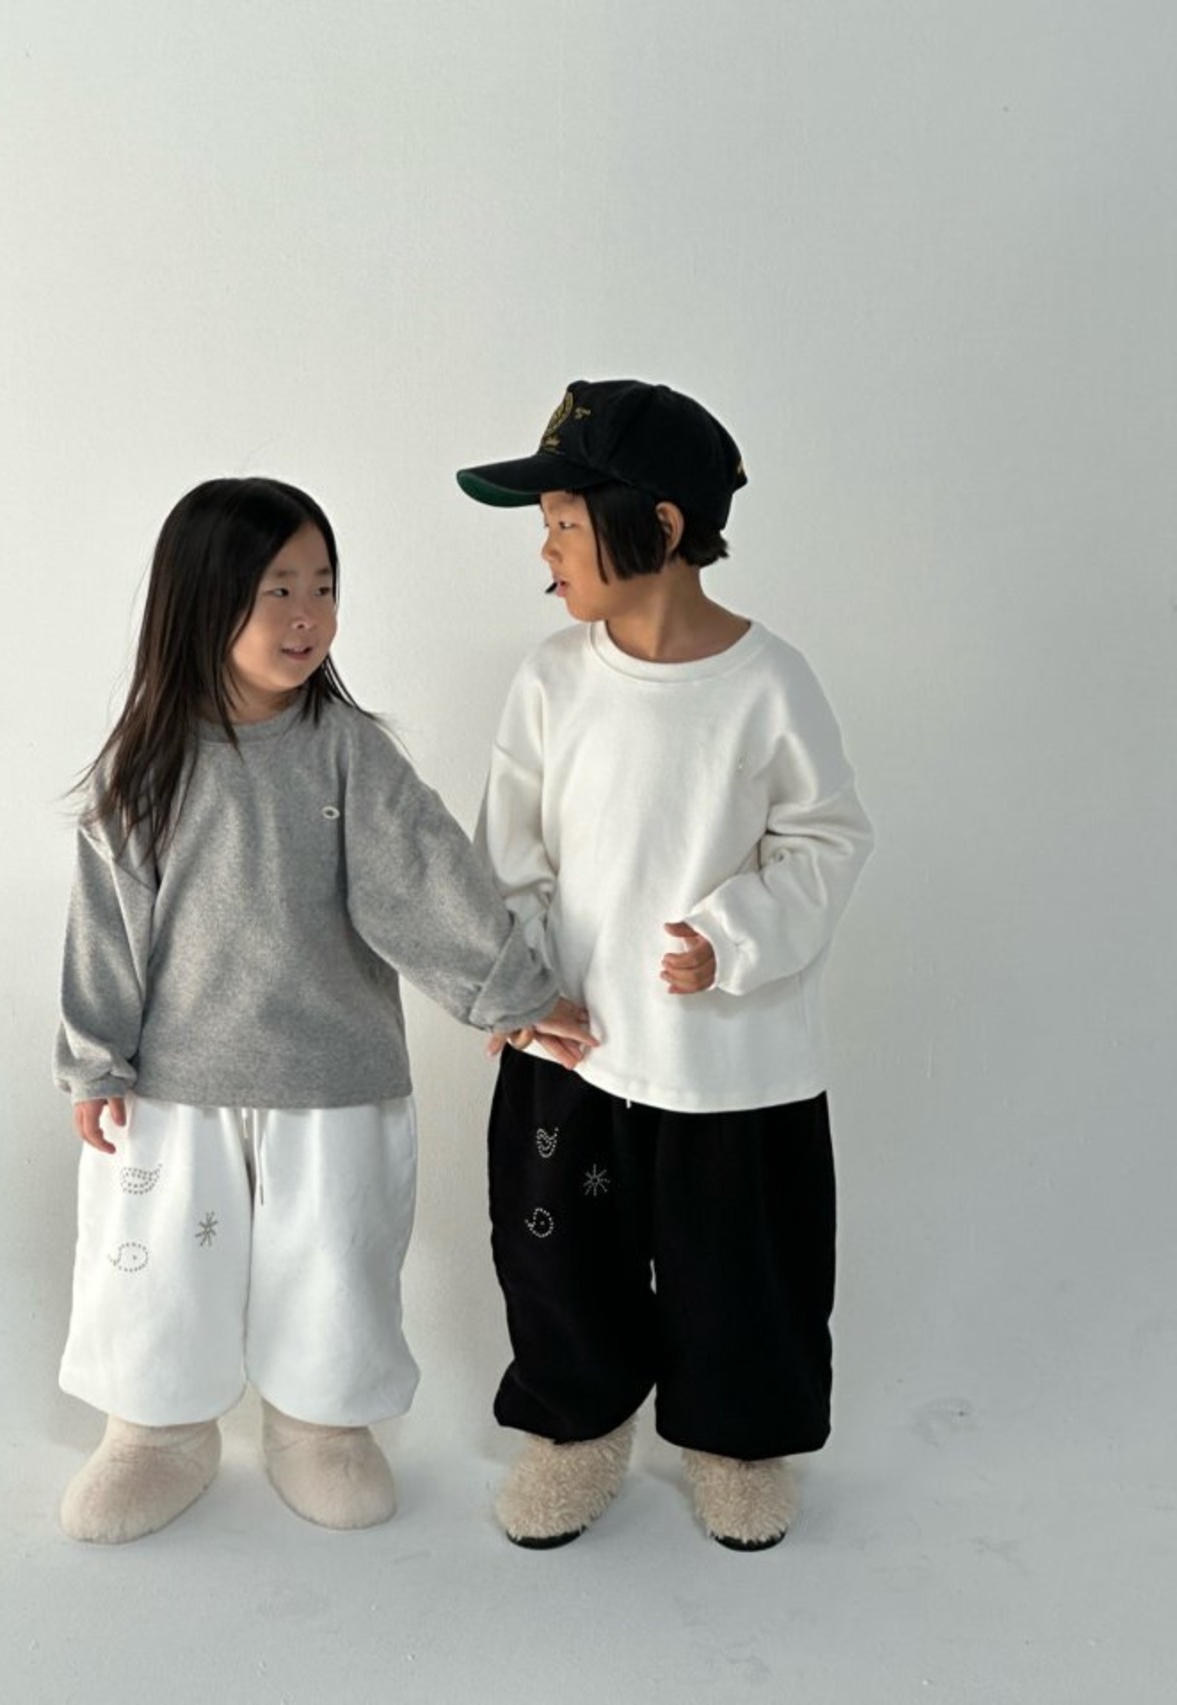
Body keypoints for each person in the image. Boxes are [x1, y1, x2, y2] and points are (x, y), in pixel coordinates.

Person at [54, 476, 595, 1545]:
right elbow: (105, 920)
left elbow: (422, 881)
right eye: (279, 590)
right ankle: (157, 1429)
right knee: (160, 1269)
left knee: (333, 1262)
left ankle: (319, 1424)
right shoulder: (147, 765)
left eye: (325, 586)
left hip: (335, 1075)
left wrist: (514, 993)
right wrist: (94, 1058)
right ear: (203, 601)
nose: (308, 616)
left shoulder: (348, 750)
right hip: (176, 1087)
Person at [456, 379, 873, 1549]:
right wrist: (517, 984)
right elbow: (509, 854)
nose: (544, 550)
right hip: (574, 1044)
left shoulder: (767, 683)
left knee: (738, 1270)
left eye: (561, 522)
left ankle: (735, 1443)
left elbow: (826, 838)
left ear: (662, 525)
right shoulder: (551, 678)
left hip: (730, 1062)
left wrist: (731, 937)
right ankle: (576, 1430)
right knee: (558, 1263)